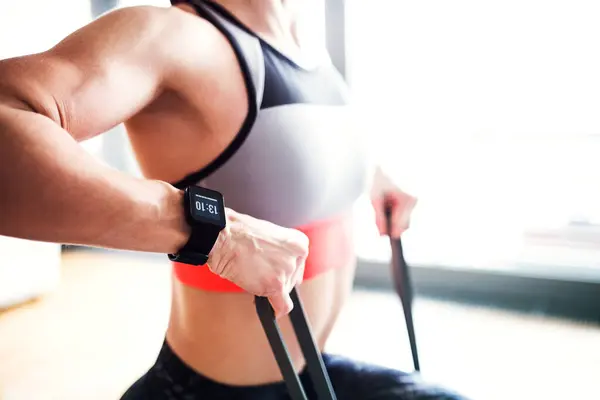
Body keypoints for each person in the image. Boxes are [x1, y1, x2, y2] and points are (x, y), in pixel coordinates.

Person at [0, 1, 466, 399]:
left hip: (312, 375)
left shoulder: (298, 34)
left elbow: (282, 156)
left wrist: (368, 175)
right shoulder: (174, 36)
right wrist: (217, 234)